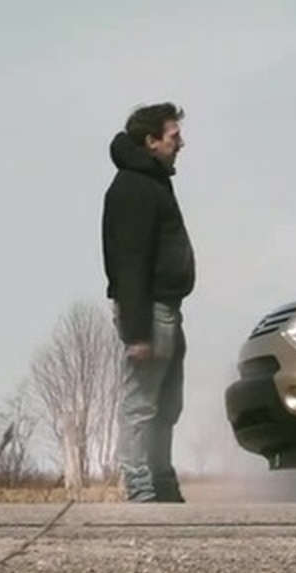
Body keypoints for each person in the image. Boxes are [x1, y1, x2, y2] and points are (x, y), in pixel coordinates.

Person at [101, 102, 196, 502]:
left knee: (167, 403)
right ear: (151, 141)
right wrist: (137, 332)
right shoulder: (133, 188)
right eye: (174, 137)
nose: (181, 144)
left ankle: (161, 483)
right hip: (150, 312)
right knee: (141, 403)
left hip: (167, 310)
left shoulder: (154, 182)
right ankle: (141, 490)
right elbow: (130, 264)